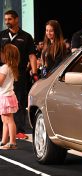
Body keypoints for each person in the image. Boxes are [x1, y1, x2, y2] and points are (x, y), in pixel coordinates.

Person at [0, 10, 38, 140]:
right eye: (5, 19)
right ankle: (4, 131)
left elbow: (32, 56)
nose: (7, 22)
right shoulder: (2, 35)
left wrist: (35, 73)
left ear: (16, 20)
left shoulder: (26, 36)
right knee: (3, 102)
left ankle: (20, 130)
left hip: (19, 74)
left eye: (10, 19)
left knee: (20, 102)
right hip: (3, 73)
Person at [0, 44, 19, 150]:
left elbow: (0, 82)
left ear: (6, 55)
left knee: (9, 120)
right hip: (7, 96)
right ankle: (4, 141)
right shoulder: (11, 67)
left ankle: (12, 142)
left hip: (5, 97)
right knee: (5, 120)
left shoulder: (5, 68)